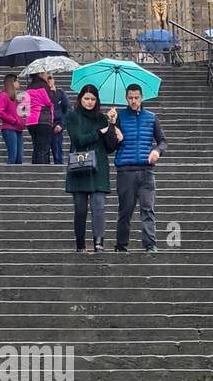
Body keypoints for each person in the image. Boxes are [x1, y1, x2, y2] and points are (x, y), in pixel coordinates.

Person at [64, 85, 122, 253]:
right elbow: (78, 140)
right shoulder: (72, 116)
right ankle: (80, 244)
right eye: (86, 98)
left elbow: (110, 147)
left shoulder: (102, 119)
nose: (89, 102)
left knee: (99, 207)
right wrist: (99, 132)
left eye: (93, 99)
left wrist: (112, 124)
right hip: (79, 168)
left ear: (97, 101)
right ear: (80, 99)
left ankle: (99, 243)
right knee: (80, 209)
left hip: (99, 169)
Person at [114, 84, 168, 253]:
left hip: (146, 170)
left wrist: (157, 151)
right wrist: (112, 127)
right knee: (125, 210)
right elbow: (110, 143)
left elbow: (162, 141)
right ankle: (121, 245)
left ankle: (150, 244)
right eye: (130, 98)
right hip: (125, 170)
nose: (134, 101)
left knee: (148, 209)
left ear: (142, 97)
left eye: (136, 97)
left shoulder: (151, 117)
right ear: (126, 98)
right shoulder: (119, 116)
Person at [25, 73, 55, 164]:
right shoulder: (43, 86)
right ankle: (43, 170)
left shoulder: (28, 88)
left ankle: (35, 168)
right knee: (44, 148)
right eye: (46, 73)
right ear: (40, 74)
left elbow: (25, 105)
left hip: (31, 121)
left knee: (36, 147)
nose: (48, 75)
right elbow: (50, 101)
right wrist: (52, 90)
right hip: (43, 120)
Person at [0, 74, 25, 165]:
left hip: (18, 128)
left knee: (19, 158)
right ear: (12, 83)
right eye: (17, 81)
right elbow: (1, 112)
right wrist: (13, 120)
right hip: (9, 128)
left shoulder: (14, 98)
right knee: (13, 156)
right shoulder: (4, 95)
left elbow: (17, 112)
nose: (18, 83)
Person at [46, 75, 70, 166]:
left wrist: (61, 124)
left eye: (50, 78)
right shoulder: (43, 93)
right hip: (46, 124)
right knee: (45, 152)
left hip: (57, 125)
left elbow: (67, 109)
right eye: (47, 79)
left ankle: (59, 165)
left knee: (57, 151)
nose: (49, 81)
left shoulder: (60, 93)